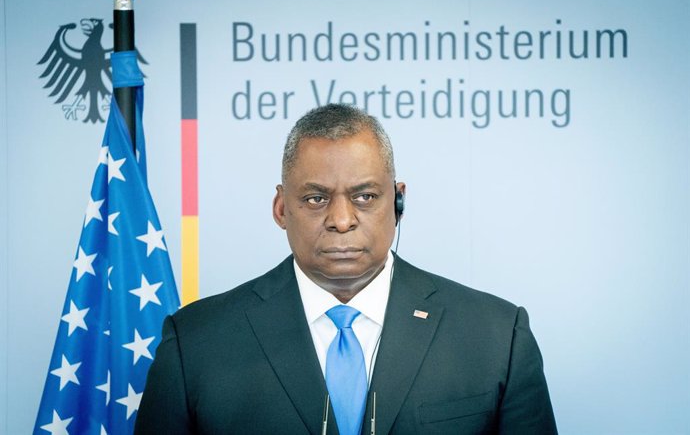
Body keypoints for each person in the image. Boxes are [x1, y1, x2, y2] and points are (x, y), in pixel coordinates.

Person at [135, 104, 557, 434]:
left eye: (365, 196)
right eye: (316, 198)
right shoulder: (195, 342)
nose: (341, 219)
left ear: (398, 202)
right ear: (282, 208)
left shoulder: (497, 337)